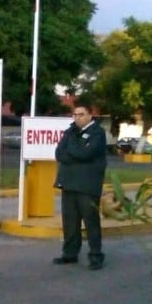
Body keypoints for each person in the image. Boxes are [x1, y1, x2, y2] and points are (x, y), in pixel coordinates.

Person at [53, 100, 107, 270]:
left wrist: (72, 153)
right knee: (70, 222)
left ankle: (96, 256)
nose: (77, 118)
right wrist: (74, 153)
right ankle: (70, 254)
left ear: (90, 115)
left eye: (81, 114)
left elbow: (87, 154)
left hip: (87, 185)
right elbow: (59, 153)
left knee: (91, 222)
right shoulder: (70, 131)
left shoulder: (98, 133)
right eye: (75, 114)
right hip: (69, 183)